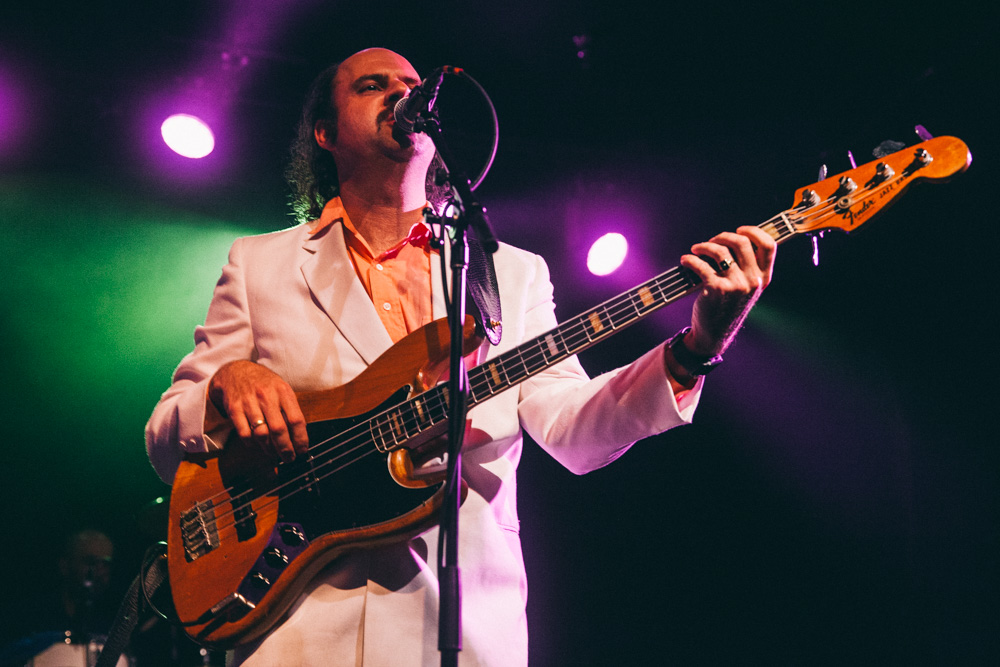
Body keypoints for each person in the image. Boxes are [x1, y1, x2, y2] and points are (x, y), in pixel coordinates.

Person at [145, 48, 776, 666]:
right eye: (371, 86)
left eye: (411, 83)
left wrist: (697, 350)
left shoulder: (510, 272)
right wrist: (228, 381)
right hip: (300, 624)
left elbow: (572, 433)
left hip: (463, 618)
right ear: (325, 133)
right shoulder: (260, 265)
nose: (401, 94)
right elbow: (167, 432)